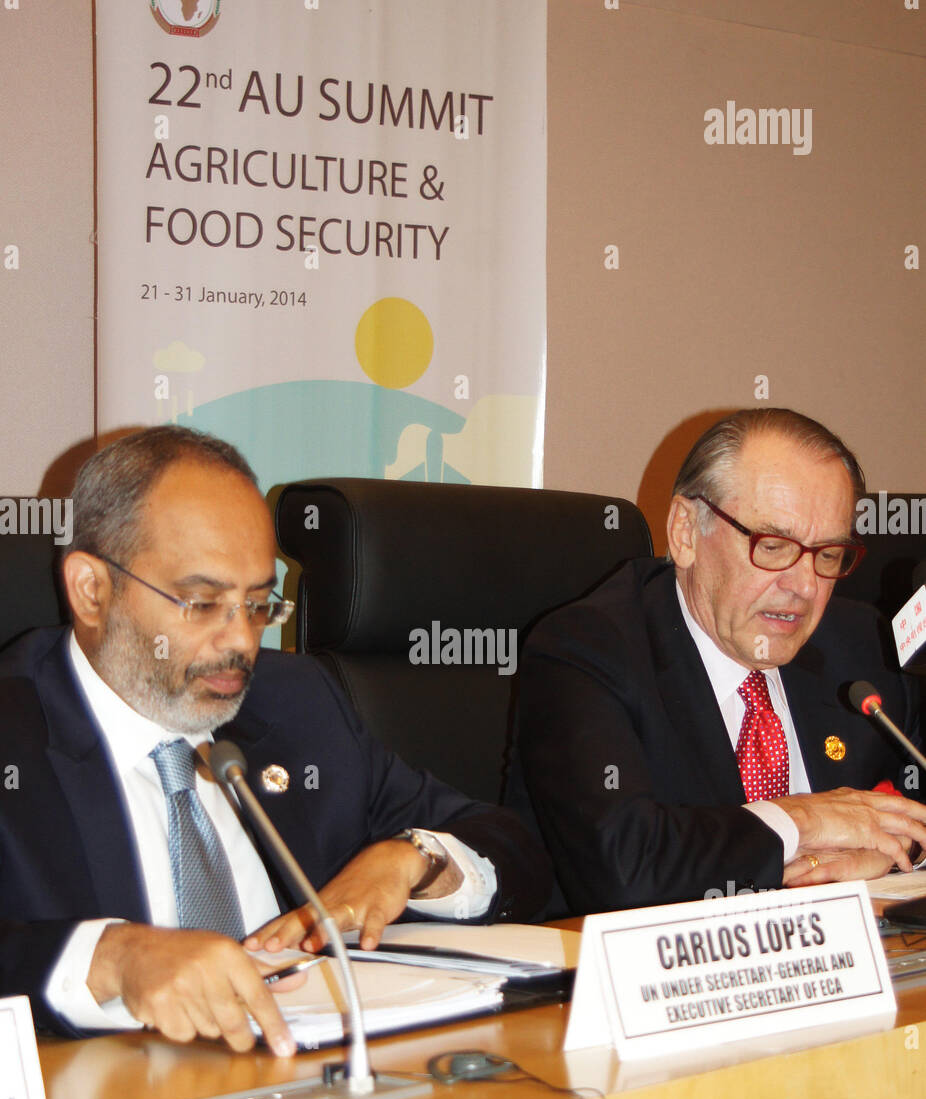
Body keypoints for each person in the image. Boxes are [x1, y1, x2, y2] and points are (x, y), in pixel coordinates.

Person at [0, 426, 550, 1052]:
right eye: (201, 602)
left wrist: (414, 859)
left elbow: (518, 852)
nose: (240, 640)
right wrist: (113, 958)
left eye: (259, 603)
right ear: (92, 590)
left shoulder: (297, 706)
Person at [507, 407, 926, 915]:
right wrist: (805, 821)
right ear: (685, 532)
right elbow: (625, 869)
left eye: (828, 555)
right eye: (773, 546)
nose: (804, 586)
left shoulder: (858, 643)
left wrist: (894, 852)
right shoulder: (585, 650)